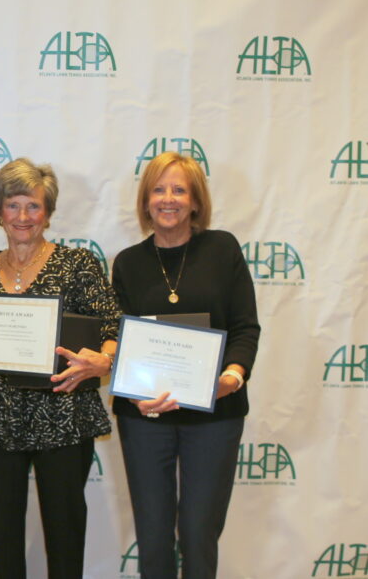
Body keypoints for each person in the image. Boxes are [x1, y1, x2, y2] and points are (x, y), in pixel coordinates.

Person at [0, 158, 120, 579]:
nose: (23, 217)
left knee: (65, 535)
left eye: (33, 206)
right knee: (3, 538)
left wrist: (105, 358)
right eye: (13, 206)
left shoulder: (78, 264)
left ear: (48, 212)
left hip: (63, 414)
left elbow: (113, 327)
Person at [111, 151, 260, 579]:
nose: (168, 199)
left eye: (179, 189)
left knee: (198, 533)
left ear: (196, 201)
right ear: (145, 201)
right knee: (154, 537)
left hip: (216, 412)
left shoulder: (223, 248)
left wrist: (229, 379)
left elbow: (245, 327)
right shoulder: (127, 262)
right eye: (158, 189)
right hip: (145, 417)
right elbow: (120, 341)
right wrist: (135, 393)